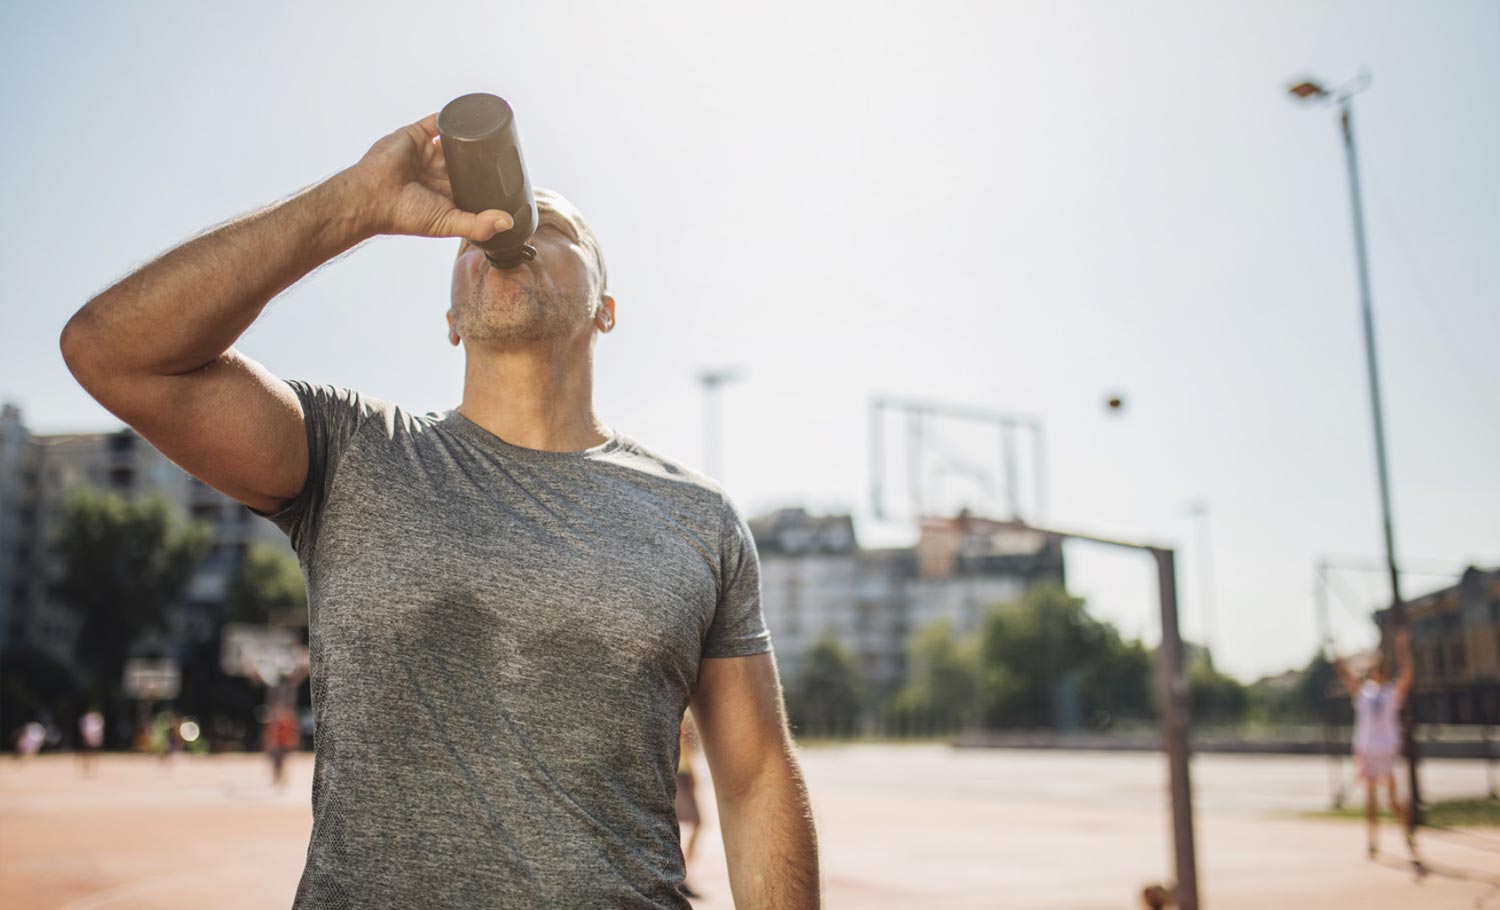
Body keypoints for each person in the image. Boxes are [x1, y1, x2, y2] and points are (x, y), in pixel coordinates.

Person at [62, 109, 820, 909]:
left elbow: (756, 778)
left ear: (606, 307)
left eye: (546, 226)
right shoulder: (352, 451)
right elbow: (111, 352)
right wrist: (351, 205)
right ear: (450, 323)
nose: (500, 234)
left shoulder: (697, 518)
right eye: (468, 242)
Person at [1333, 627, 1417, 863]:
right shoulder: (1364, 694)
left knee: (1392, 799)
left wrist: (1402, 649)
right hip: (1368, 750)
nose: (1376, 674)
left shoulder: (1391, 693)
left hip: (1386, 750)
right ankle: (1372, 841)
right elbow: (1344, 674)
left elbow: (1408, 674)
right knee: (1370, 798)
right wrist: (1336, 649)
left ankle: (1406, 835)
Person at [675, 711, 704, 900]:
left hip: (681, 775)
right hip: (681, 776)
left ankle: (682, 875)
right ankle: (681, 877)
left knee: (693, 824)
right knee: (694, 823)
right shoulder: (684, 716)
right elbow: (685, 749)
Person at [77, 707, 105, 776]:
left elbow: (99, 729)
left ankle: (92, 765)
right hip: (89, 736)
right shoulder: (89, 718)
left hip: (93, 737)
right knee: (87, 751)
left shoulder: (96, 718)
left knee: (93, 752)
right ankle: (87, 765)